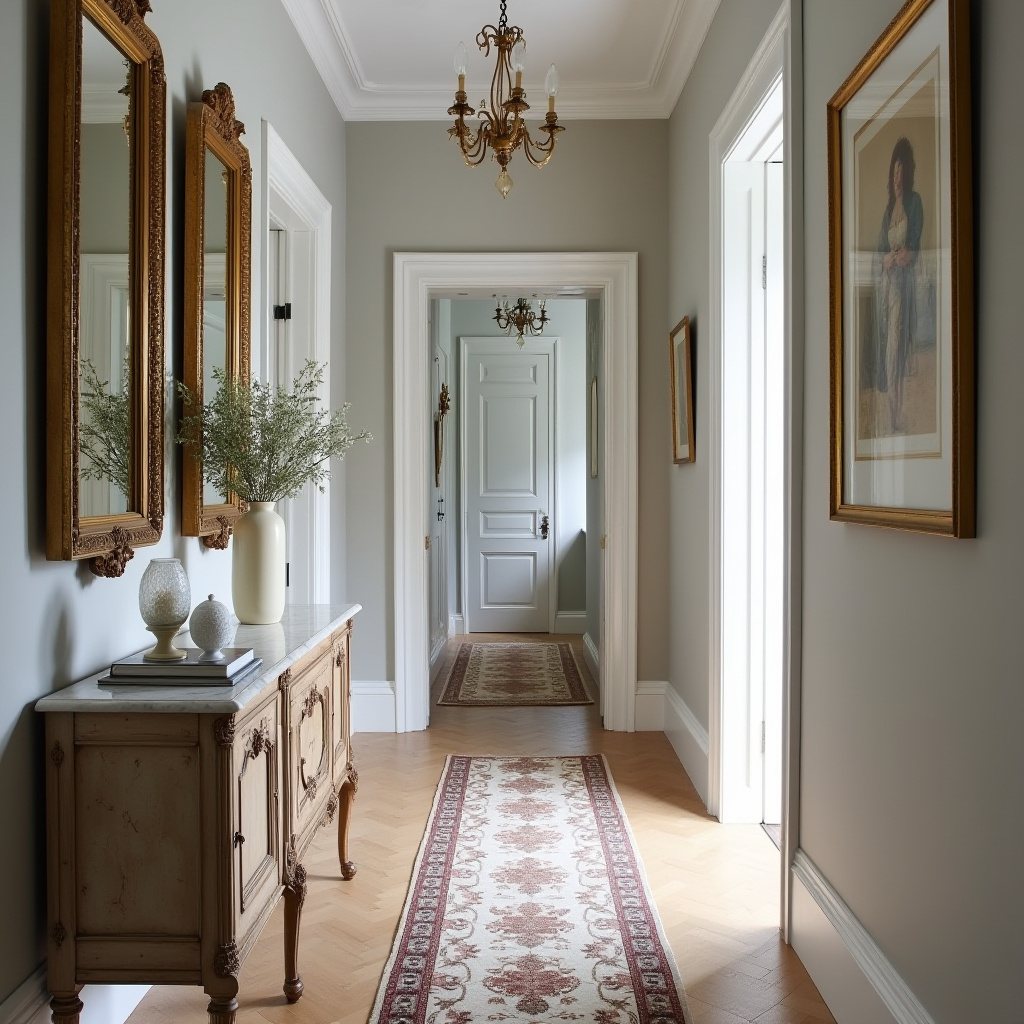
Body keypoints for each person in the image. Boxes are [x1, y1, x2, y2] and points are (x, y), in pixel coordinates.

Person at [873, 136, 923, 434]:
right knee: (889, 347)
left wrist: (903, 256)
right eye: (894, 173)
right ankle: (892, 409)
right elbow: (881, 255)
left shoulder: (915, 203)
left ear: (908, 174)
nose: (897, 179)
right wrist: (889, 259)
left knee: (899, 346)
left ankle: (898, 410)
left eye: (902, 173)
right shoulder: (886, 212)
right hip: (887, 291)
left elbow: (913, 247)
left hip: (905, 288)